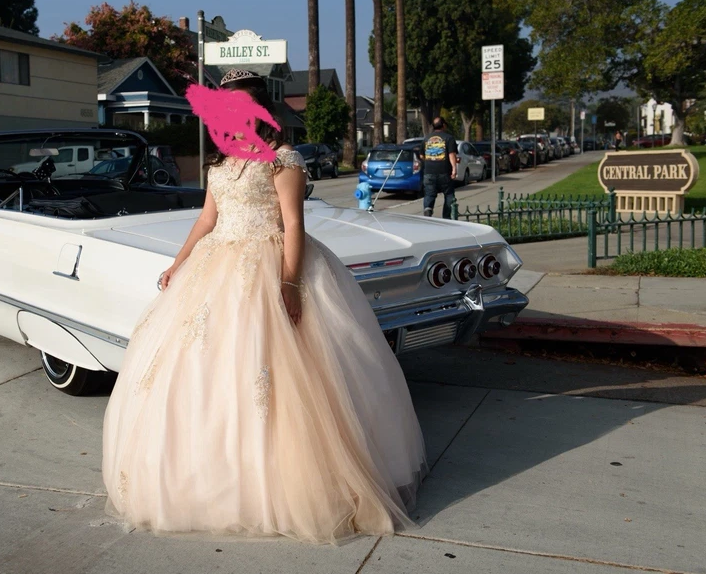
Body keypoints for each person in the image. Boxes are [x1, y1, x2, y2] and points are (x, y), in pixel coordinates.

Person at [102, 68, 428, 545]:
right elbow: (208, 218)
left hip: (273, 263)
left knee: (285, 375)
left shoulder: (283, 159)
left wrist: (289, 284)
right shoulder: (219, 161)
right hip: (216, 267)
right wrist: (178, 263)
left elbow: (293, 226)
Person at [421, 116, 458, 219]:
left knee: (429, 194)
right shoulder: (449, 138)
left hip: (429, 172)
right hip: (444, 172)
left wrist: (430, 161)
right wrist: (454, 169)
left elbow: (421, 155)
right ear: (443, 125)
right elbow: (451, 155)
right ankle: (447, 218)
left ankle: (428, 210)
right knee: (449, 194)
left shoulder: (426, 138)